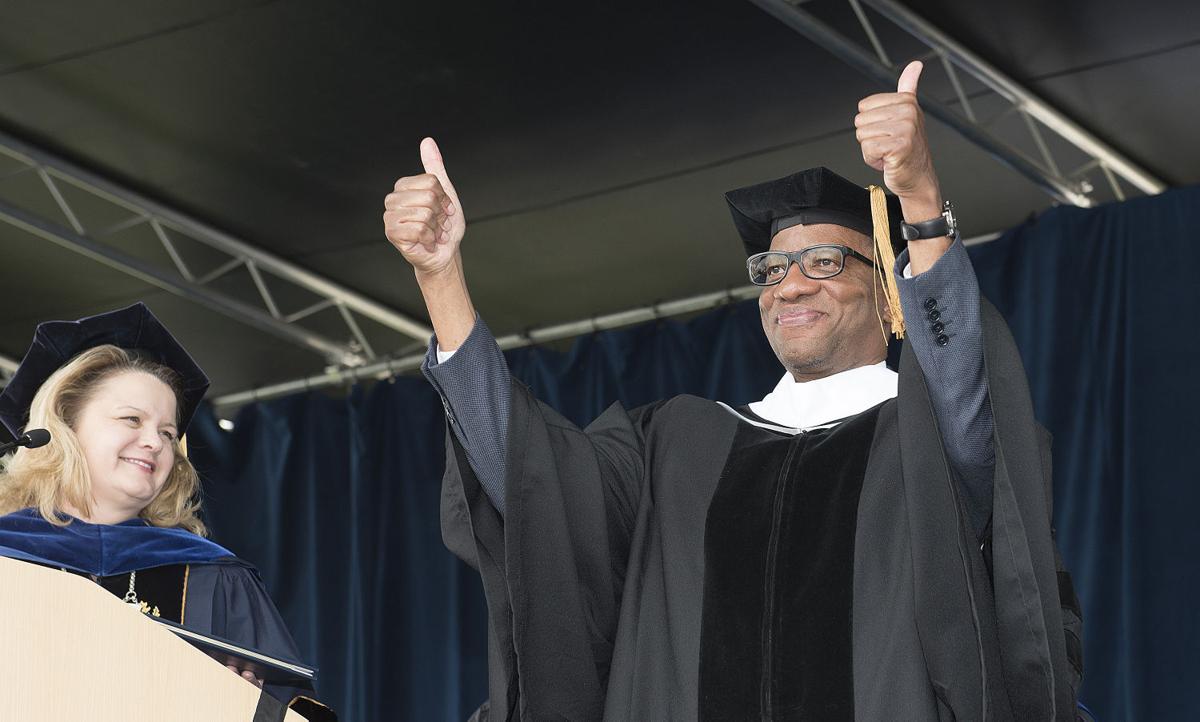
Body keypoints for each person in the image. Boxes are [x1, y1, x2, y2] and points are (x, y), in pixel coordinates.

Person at [383, 61, 1083, 720]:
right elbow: (529, 477)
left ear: (886, 287)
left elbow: (964, 390)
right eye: (772, 269)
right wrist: (440, 278)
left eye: (824, 260)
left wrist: (921, 203)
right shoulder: (677, 447)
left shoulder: (925, 444)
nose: (792, 285)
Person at [0, 302, 335, 721]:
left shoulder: (213, 576)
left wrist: (243, 709)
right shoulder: (7, 559)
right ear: (66, 426)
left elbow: (297, 711)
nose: (155, 442)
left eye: (167, 433)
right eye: (131, 419)